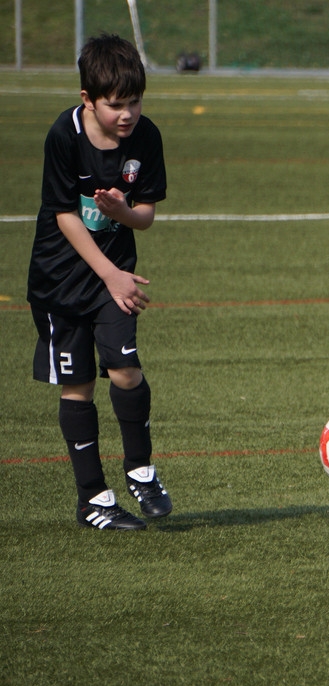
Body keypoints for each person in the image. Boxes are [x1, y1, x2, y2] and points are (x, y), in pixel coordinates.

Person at [27, 33, 171, 530]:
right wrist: (110, 275)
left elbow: (145, 216)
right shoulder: (64, 135)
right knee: (79, 387)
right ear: (87, 99)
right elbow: (64, 215)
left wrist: (121, 212)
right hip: (62, 281)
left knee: (126, 369)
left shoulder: (146, 137)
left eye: (135, 102)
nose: (127, 114)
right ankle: (93, 499)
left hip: (116, 277)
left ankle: (140, 471)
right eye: (115, 105)